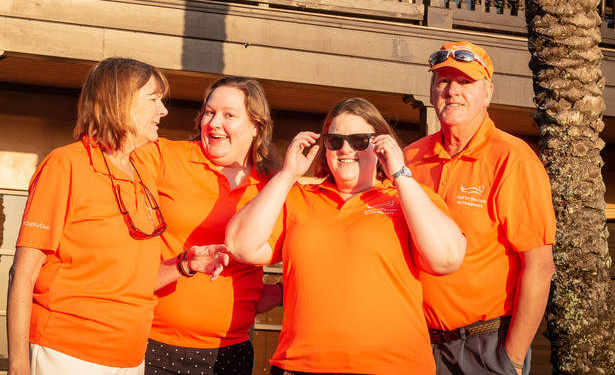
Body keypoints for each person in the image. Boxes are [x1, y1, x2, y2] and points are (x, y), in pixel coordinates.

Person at [7, 58, 228, 375]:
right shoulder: (65, 165)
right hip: (67, 353)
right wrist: (18, 365)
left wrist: (185, 264)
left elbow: (134, 281)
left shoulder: (142, 174)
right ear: (120, 101)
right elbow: (23, 274)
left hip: (131, 358)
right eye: (154, 100)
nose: (163, 111)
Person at [226, 97, 466, 375]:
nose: (346, 149)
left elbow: (446, 260)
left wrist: (400, 175)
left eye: (360, 140)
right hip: (301, 367)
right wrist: (288, 174)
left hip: (393, 368)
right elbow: (240, 245)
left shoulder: (408, 197)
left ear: (380, 145)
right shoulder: (298, 198)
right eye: (335, 141)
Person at [404, 41, 556, 375]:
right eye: (443, 81)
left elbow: (540, 267)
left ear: (487, 93)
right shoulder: (409, 159)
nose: (452, 91)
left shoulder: (512, 159)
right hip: (416, 343)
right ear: (431, 92)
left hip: (485, 346)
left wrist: (512, 358)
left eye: (465, 82)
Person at [134, 76, 281, 375]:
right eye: (209, 112)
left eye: (229, 115)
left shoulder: (273, 187)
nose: (213, 123)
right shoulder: (164, 156)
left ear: (256, 126)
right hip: (150, 341)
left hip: (229, 350)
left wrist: (279, 293)